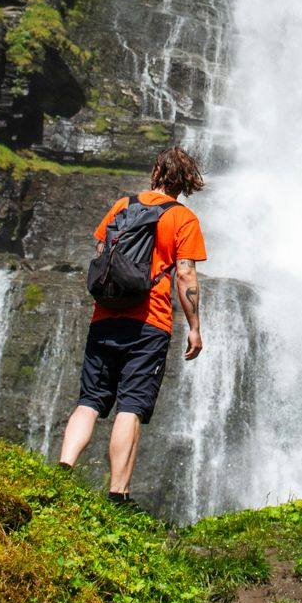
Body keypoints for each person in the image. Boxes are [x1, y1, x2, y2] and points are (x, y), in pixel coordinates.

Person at [56, 148, 208, 510]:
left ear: (156, 171)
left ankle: (61, 472)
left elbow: (100, 250)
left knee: (90, 401)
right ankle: (117, 495)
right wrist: (195, 327)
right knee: (131, 406)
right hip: (148, 323)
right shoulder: (183, 218)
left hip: (105, 315)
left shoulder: (123, 204)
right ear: (186, 182)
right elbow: (185, 273)